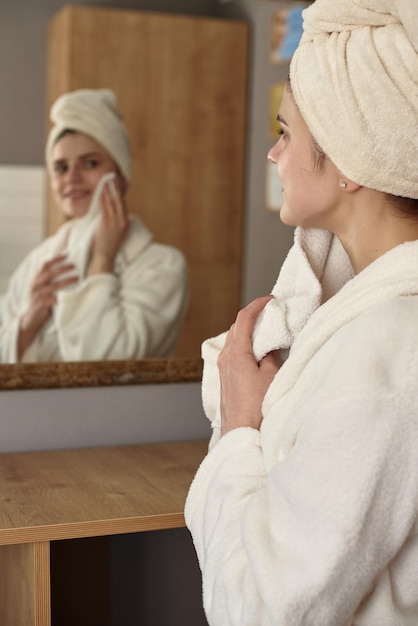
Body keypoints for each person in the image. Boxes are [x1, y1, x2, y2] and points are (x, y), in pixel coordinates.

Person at [185, 0, 418, 624]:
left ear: (348, 159)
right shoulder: (361, 313)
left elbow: (262, 609)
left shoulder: (390, 344)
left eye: (285, 132)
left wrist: (242, 425)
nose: (272, 154)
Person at [0, 88, 188, 362]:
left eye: (89, 163)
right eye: (61, 168)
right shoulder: (39, 264)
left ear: (121, 174)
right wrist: (28, 324)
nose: (72, 178)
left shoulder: (162, 267)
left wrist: (103, 259)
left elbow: (103, 367)